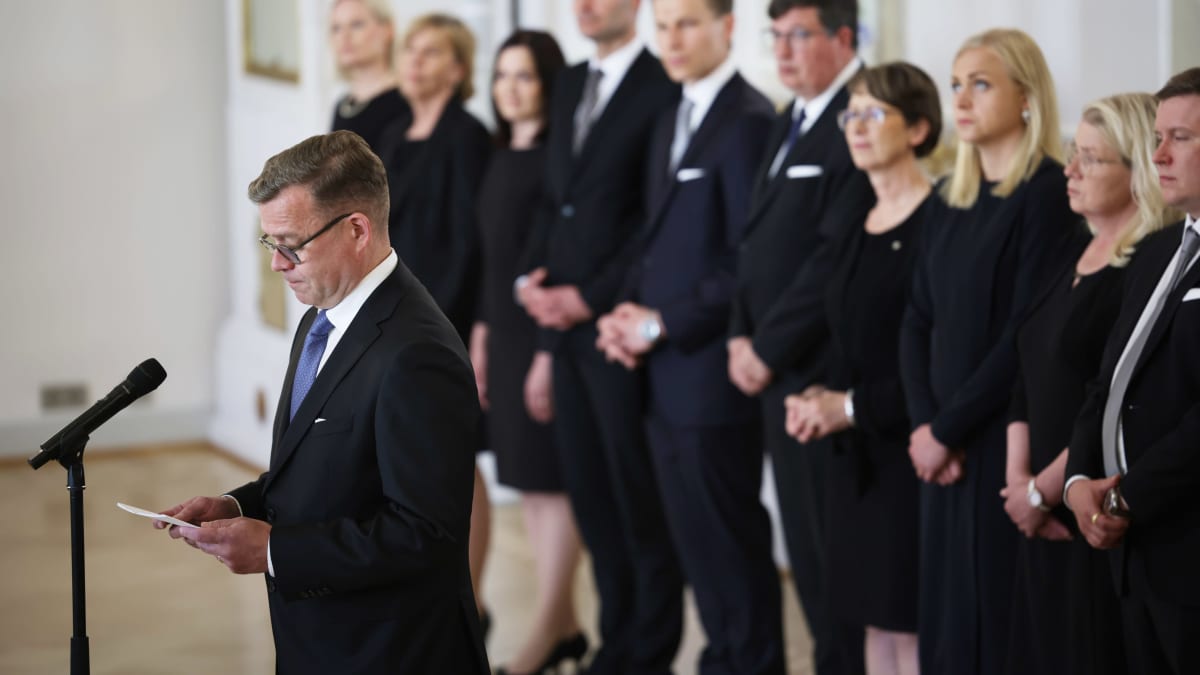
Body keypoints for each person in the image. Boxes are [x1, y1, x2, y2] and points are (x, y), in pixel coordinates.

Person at [156, 131, 488, 674]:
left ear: (356, 229)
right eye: (270, 245)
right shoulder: (320, 318)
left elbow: (425, 534)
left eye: (291, 244)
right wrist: (239, 506)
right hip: (322, 641)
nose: (277, 265)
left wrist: (272, 552)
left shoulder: (417, 354)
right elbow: (325, 472)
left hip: (392, 653)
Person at [592, 0, 782, 671]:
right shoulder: (674, 113)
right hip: (662, 378)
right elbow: (655, 243)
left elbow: (747, 262)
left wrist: (660, 323)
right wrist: (624, 315)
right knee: (696, 548)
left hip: (710, 378)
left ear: (727, 28)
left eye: (688, 25)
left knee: (731, 548)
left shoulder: (751, 121)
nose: (672, 40)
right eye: (663, 26)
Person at [898, 28, 1078, 675]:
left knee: (996, 624)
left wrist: (946, 428)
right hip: (940, 451)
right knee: (945, 621)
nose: (961, 99)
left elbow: (1025, 333)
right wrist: (924, 426)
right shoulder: (950, 196)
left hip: (1001, 444)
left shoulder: (1050, 194)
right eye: (955, 84)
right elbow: (916, 319)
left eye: (980, 83)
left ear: (1026, 98)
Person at [514, 0, 681, 671]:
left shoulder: (664, 83)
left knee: (637, 500)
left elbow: (653, 216)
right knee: (591, 494)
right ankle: (617, 645)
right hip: (564, 328)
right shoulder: (572, 83)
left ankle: (650, 651)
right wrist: (533, 279)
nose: (585, 5)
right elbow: (557, 200)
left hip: (621, 329)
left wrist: (589, 295)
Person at [1001, 92, 1175, 675]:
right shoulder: (1073, 250)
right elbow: (1025, 369)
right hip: (1045, 500)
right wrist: (1019, 482)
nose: (1070, 170)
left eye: (1092, 159)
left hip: (1088, 506)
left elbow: (1106, 395)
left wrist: (1047, 490)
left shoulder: (1146, 264)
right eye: (1073, 154)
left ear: (1136, 172)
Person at [784, 61, 942, 675]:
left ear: (919, 129)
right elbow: (846, 333)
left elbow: (933, 361)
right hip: (855, 456)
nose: (855, 126)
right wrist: (820, 394)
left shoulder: (937, 223)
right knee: (871, 621)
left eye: (874, 114)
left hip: (909, 449)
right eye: (851, 114)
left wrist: (848, 406)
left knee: (910, 623)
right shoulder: (856, 220)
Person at [725, 1, 870, 673]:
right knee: (807, 562)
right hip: (772, 369)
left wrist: (765, 346)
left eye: (799, 36)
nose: (782, 52)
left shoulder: (860, 119)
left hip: (821, 370)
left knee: (836, 562)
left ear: (844, 39)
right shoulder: (791, 117)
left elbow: (831, 258)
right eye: (775, 37)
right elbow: (752, 243)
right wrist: (737, 334)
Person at [1064, 67, 1200, 675]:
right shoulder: (1157, 253)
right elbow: (1107, 384)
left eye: (1183, 138)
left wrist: (1124, 495)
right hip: (1129, 546)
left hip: (1185, 543)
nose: (1161, 154)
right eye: (1158, 137)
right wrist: (1077, 482)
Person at [469, 30, 588, 675]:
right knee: (529, 480)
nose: (509, 89)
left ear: (549, 84)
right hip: (504, 335)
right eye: (502, 76)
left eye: (524, 77)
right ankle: (566, 626)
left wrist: (546, 352)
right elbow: (494, 261)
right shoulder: (497, 152)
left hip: (546, 338)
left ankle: (547, 627)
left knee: (551, 484)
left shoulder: (556, 159)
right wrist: (483, 335)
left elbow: (550, 261)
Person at [377, 13, 494, 626]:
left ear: (458, 66)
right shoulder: (394, 135)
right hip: (399, 320)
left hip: (450, 318)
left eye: (431, 52)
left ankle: (467, 602)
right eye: (409, 50)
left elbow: (474, 244)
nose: (414, 61)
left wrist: (467, 331)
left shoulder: (469, 136)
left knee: (457, 461)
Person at [327, 0, 409, 156]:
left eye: (356, 24)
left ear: (387, 30)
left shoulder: (406, 102)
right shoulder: (343, 106)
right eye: (336, 28)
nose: (344, 37)